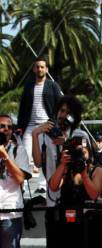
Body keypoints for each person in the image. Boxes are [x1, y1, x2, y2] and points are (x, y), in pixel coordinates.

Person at [31, 95, 88, 248]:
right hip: (53, 205)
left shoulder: (80, 136)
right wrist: (36, 134)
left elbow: (80, 166)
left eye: (67, 111)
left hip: (75, 204)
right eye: (60, 111)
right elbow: (37, 163)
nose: (63, 115)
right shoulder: (46, 137)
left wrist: (66, 143)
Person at [0, 114, 31, 248]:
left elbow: (20, 178)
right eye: (1, 126)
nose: (5, 130)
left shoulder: (18, 150)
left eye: (9, 127)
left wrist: (4, 156)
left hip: (10, 216)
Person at [17, 56, 62, 190]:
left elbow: (60, 105)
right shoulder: (29, 86)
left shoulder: (52, 85)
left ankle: (42, 184)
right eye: (37, 66)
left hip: (46, 125)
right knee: (24, 152)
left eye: (42, 67)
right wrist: (20, 126)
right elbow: (23, 107)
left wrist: (54, 122)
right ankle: (23, 184)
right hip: (30, 126)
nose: (40, 69)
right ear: (33, 69)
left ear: (46, 69)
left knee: (45, 155)